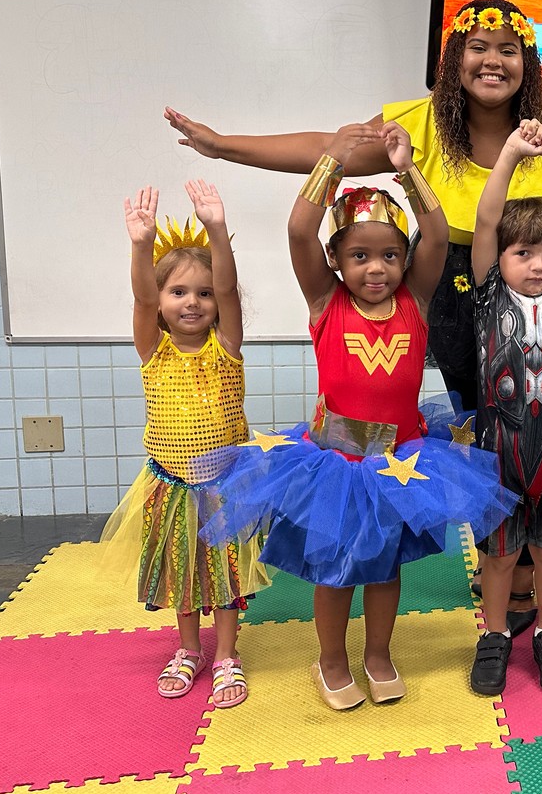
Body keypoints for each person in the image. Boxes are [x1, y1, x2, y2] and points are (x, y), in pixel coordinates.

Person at [165, 0, 542, 633]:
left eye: (508, 50)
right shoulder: (421, 123)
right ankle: (499, 559)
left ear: (527, 63)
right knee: (484, 426)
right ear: (455, 61)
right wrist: (222, 146)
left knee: (540, 415)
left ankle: (531, 566)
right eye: (478, 48)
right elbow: (329, 146)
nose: (493, 61)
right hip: (453, 279)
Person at [198, 123, 516, 710]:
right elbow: (299, 231)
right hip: (335, 464)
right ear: (335, 260)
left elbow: (438, 234)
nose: (377, 268)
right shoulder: (326, 302)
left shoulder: (415, 301)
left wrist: (409, 170)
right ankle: (331, 660)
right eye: (360, 256)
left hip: (400, 459)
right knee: (334, 569)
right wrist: (331, 161)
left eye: (391, 255)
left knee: (385, 567)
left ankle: (378, 655)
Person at [101, 180, 269, 709]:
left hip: (224, 484)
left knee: (226, 573)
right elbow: (141, 296)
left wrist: (218, 229)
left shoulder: (227, 347)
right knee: (182, 571)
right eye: (178, 292)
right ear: (161, 302)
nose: (192, 302)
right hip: (170, 484)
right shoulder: (154, 350)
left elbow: (229, 291)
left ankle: (227, 655)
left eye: (202, 292)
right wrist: (141, 245)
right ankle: (190, 649)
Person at [468, 119, 542, 697]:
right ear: (501, 257)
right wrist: (512, 154)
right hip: (499, 448)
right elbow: (486, 220)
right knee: (499, 554)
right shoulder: (489, 293)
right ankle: (494, 635)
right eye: (523, 253)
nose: (538, 264)